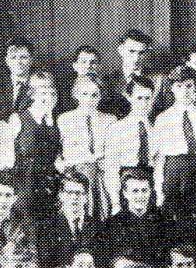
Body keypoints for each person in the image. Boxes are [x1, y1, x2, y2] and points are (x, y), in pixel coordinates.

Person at [153, 66, 196, 216]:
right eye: (179, 86)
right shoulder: (163, 118)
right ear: (172, 89)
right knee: (173, 216)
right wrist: (159, 190)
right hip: (173, 170)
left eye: (189, 86)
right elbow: (159, 158)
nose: (185, 91)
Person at [56, 76, 115, 222]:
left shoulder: (110, 120)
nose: (89, 99)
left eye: (95, 95)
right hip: (74, 176)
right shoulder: (64, 119)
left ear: (100, 96)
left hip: (101, 177)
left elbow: (113, 152)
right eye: (85, 94)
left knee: (102, 218)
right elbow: (57, 152)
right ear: (76, 94)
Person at [8, 72, 64, 220]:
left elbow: (58, 156)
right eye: (43, 92)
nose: (49, 96)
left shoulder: (57, 122)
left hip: (51, 186)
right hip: (24, 185)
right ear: (32, 95)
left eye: (52, 92)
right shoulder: (18, 118)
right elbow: (7, 157)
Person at [101, 77, 159, 209]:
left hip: (149, 185)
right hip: (125, 183)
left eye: (148, 98)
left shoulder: (156, 128)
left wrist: (159, 195)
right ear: (129, 97)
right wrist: (115, 202)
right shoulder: (116, 128)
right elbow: (111, 167)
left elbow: (158, 164)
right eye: (139, 98)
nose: (144, 103)